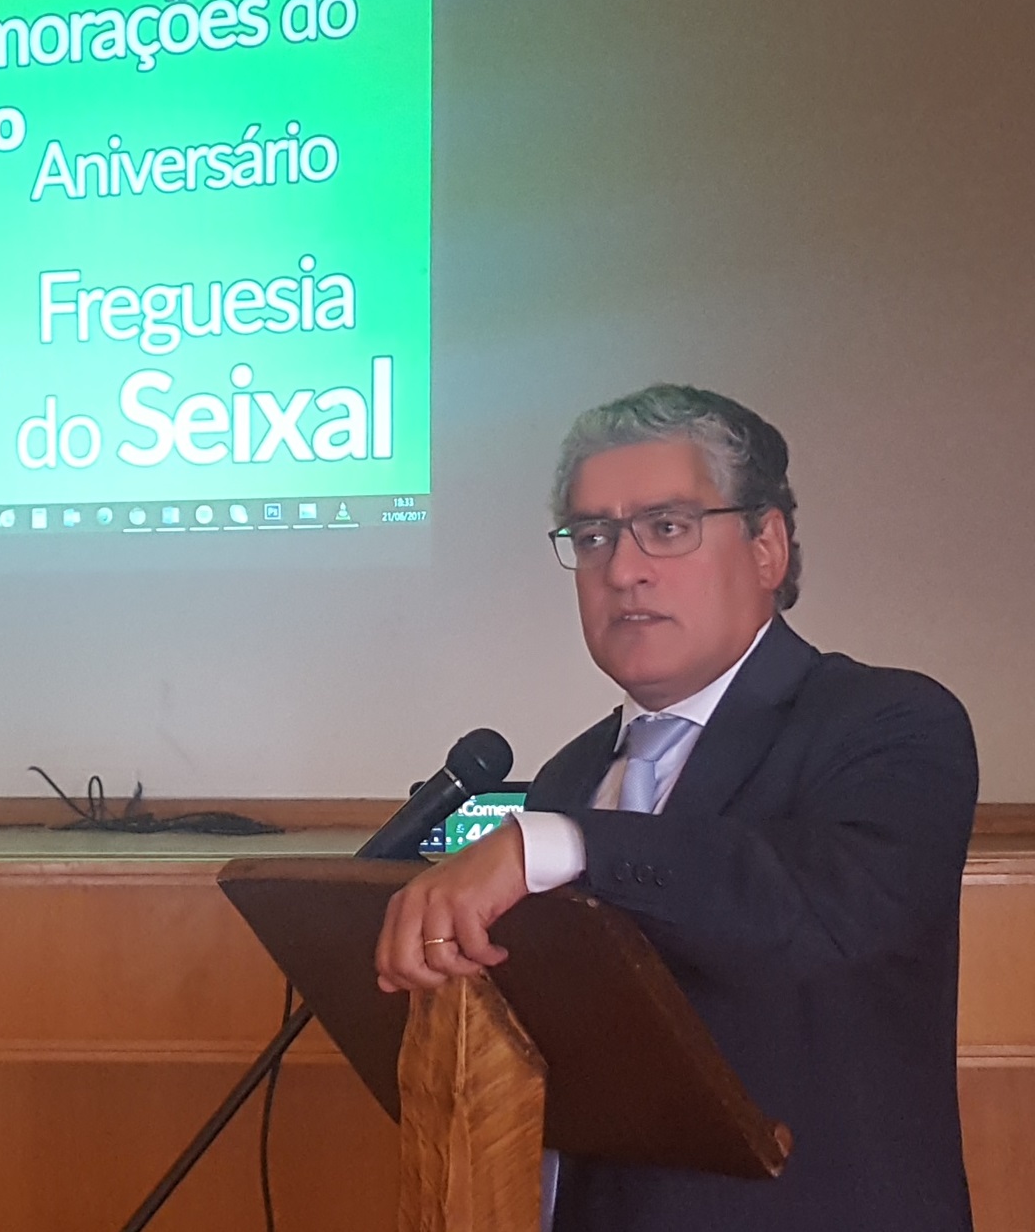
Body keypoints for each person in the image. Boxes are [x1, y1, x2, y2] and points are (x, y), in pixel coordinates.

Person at [373, 384, 979, 1231]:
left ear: (766, 546)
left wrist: (567, 843)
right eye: (592, 536)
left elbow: (820, 910)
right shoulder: (572, 772)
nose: (622, 569)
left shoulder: (889, 721)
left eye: (666, 527)